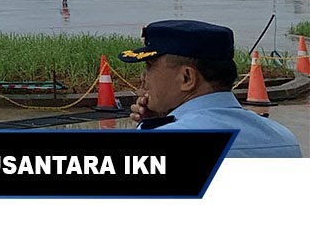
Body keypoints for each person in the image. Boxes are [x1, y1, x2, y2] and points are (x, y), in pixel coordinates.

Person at [119, 20, 301, 157]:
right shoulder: (284, 138)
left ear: (187, 78)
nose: (143, 77)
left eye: (150, 66)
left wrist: (148, 127)